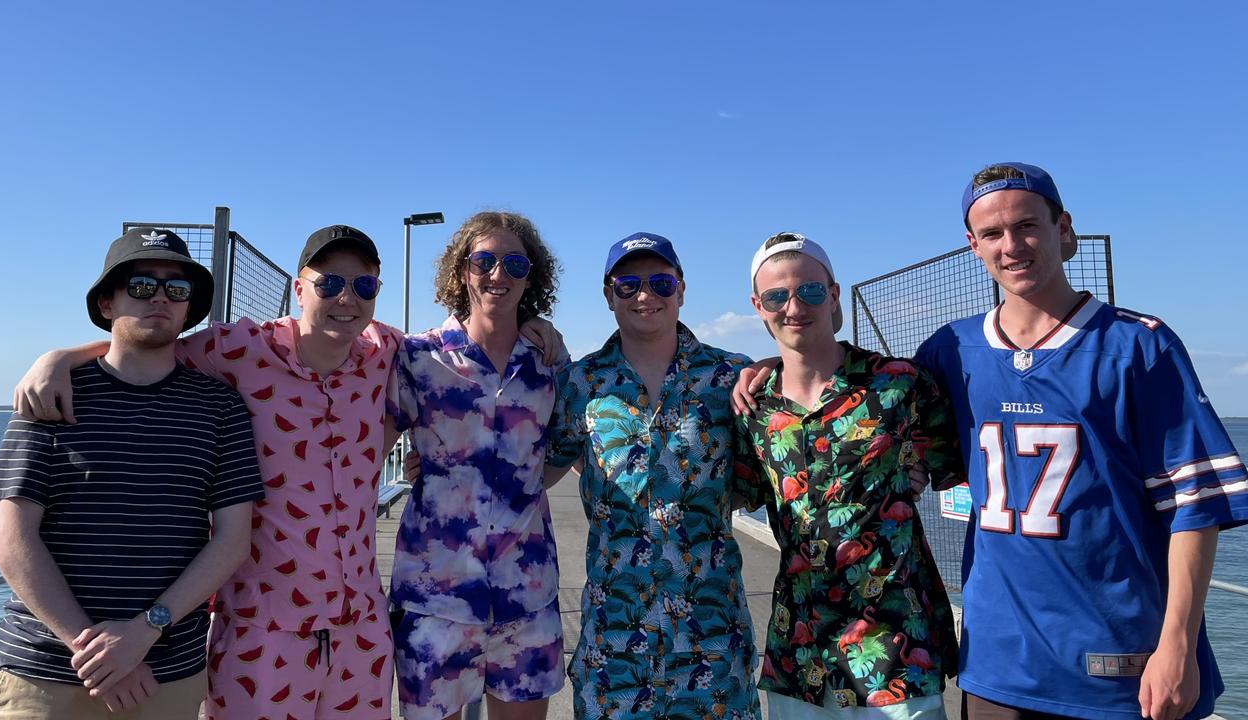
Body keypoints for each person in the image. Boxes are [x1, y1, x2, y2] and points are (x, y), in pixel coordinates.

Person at [14, 223, 566, 720]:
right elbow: (147, 347)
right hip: (262, 628)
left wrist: (534, 322)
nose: (345, 299)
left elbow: (475, 342)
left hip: (359, 631)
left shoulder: (391, 355)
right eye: (328, 284)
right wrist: (61, 358)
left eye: (363, 287)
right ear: (299, 288)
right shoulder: (237, 349)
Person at [913, 162, 1248, 720]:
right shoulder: (951, 351)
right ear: (973, 246)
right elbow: (855, 399)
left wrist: (1178, 647)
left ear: (1063, 228)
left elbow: (1196, 505)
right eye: (993, 234)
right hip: (998, 663)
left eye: (1027, 225)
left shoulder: (1138, 346)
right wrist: (778, 366)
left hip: (1120, 662)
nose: (1012, 245)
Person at [0, 228, 263, 719]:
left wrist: (143, 633)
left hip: (165, 673)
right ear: (106, 303)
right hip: (44, 673)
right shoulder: (51, 396)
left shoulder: (220, 408)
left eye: (177, 290)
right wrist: (99, 653)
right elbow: (11, 541)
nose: (160, 297)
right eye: (140, 285)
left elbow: (233, 541)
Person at [732, 232, 960, 719]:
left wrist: (909, 475)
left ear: (833, 294)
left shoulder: (901, 384)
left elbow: (954, 465)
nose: (794, 306)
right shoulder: (752, 407)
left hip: (896, 660)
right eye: (777, 296)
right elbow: (741, 489)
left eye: (810, 291)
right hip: (802, 656)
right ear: (758, 306)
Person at [546, 233, 762, 720]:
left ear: (681, 290)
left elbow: (775, 470)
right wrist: (438, 465)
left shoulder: (730, 377)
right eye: (628, 285)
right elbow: (536, 467)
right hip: (616, 641)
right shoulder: (580, 384)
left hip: (712, 639)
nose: (645, 296)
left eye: (661, 282)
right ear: (608, 296)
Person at [387, 211, 567, 720]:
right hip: (435, 599)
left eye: (514, 263)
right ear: (461, 271)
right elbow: (365, 448)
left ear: (532, 277)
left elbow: (570, 451)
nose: (498, 274)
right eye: (484, 260)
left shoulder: (548, 364)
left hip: (525, 597)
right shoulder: (419, 357)